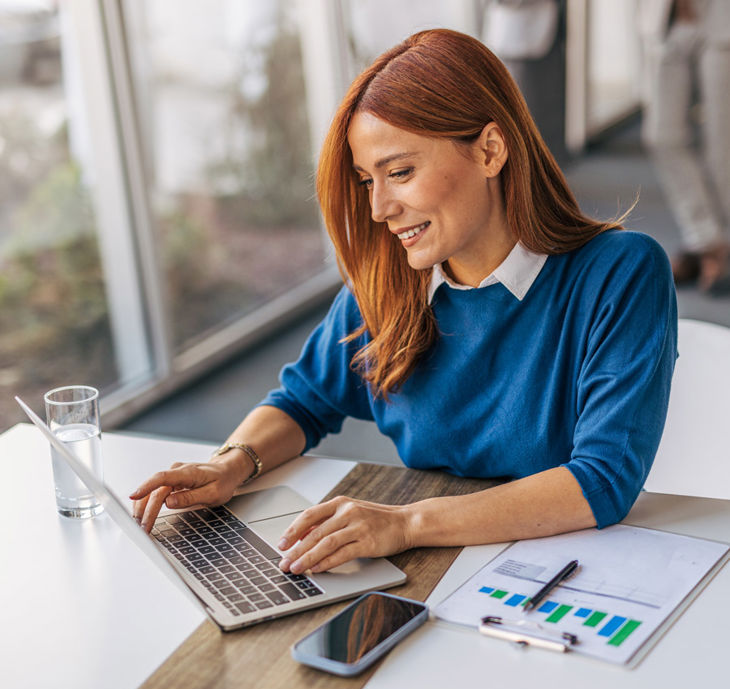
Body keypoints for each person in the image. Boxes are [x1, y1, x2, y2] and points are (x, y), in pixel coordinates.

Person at [131, 29, 677, 576]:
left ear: (490, 150)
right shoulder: (389, 284)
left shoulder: (621, 274)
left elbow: (601, 482)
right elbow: (301, 401)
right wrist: (231, 463)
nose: (378, 209)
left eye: (399, 172)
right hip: (434, 568)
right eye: (367, 180)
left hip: (566, 571)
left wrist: (406, 524)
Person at [638, 0, 730, 292]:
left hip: (720, 18)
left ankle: (716, 245)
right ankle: (707, 239)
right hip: (671, 18)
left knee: (722, 148)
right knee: (662, 135)